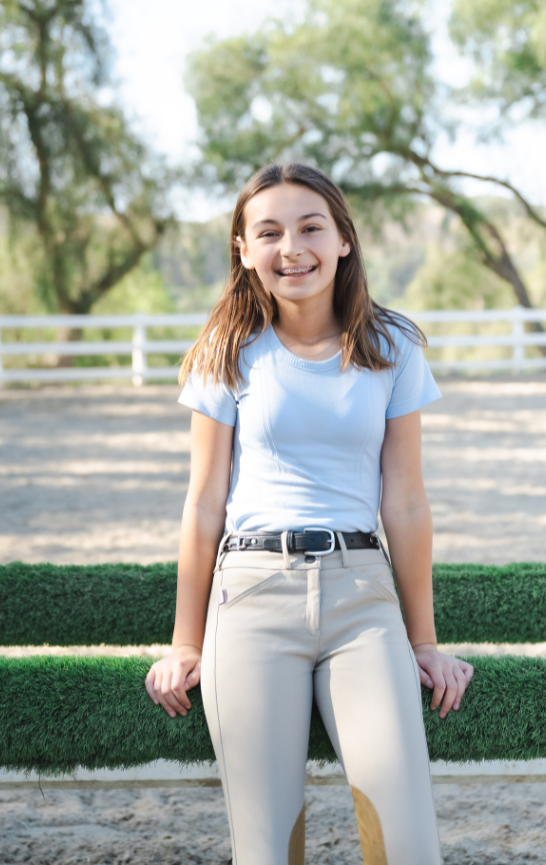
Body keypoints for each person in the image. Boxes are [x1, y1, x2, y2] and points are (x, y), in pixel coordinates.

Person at [145, 163, 474, 864]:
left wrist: (424, 641)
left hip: (362, 602)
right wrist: (184, 643)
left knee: (407, 845)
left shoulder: (391, 345)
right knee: (266, 850)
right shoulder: (226, 349)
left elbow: (405, 501)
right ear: (243, 250)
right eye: (268, 232)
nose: (291, 248)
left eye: (310, 228)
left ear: (343, 240)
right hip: (251, 599)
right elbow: (203, 503)